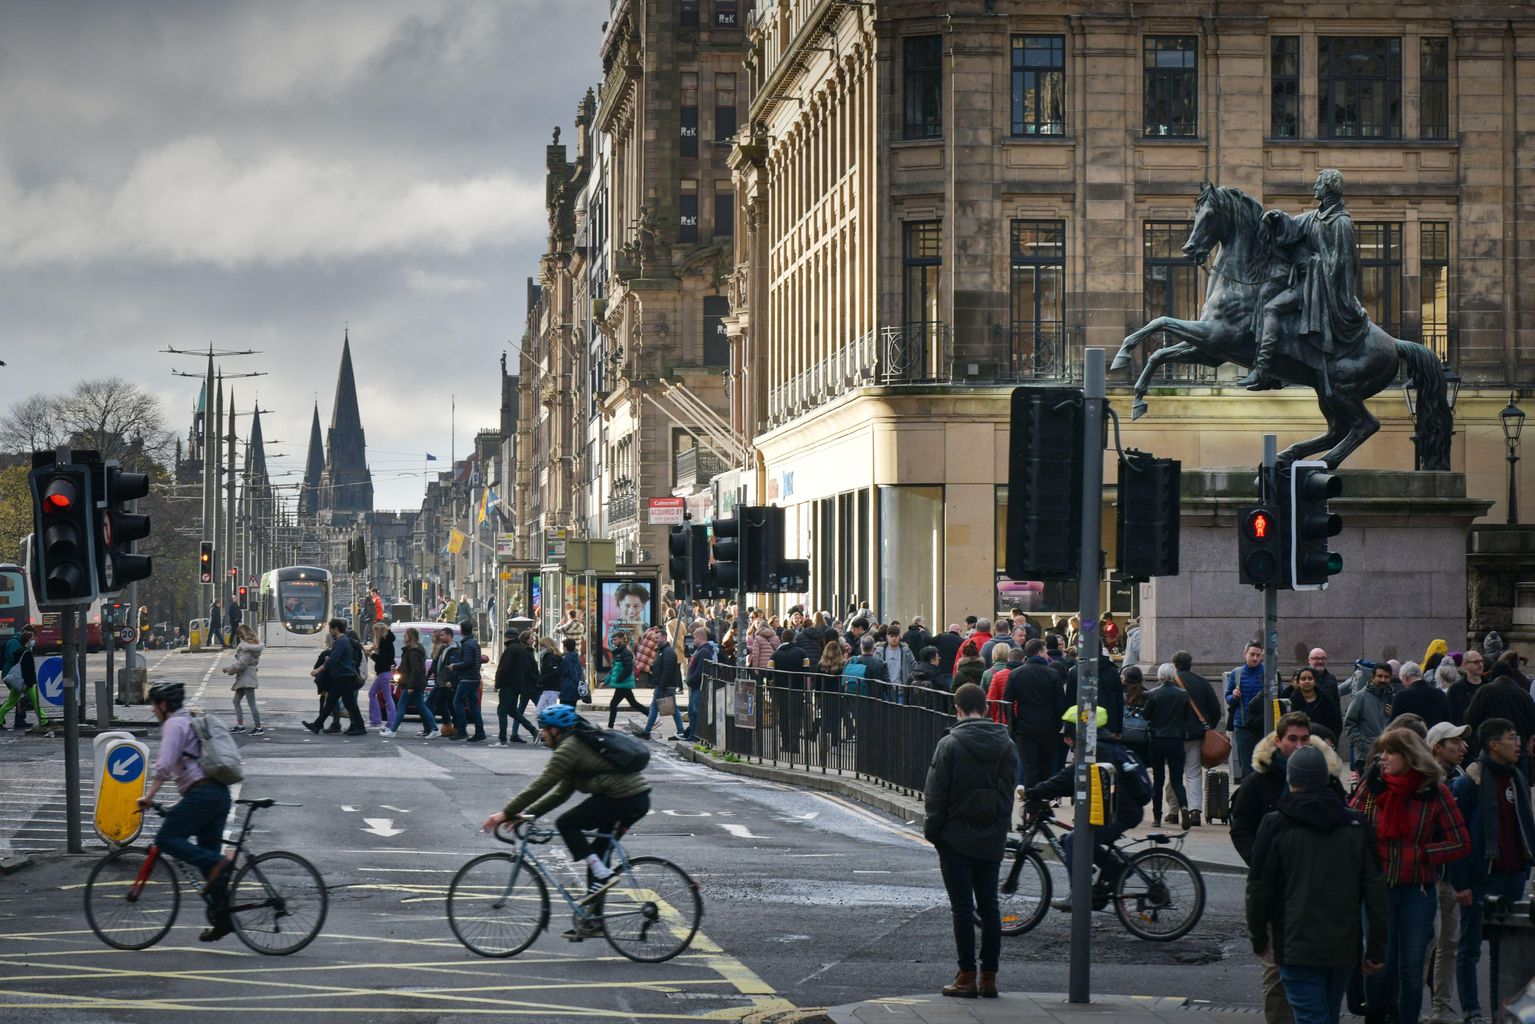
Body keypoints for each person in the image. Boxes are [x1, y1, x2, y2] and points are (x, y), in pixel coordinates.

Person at [480, 704, 652, 940]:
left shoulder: (569, 748)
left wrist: (505, 813)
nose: (541, 734)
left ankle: (603, 877)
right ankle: (594, 922)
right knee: (598, 857)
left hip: (625, 800)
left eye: (543, 729)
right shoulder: (573, 745)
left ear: (554, 730)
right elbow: (561, 792)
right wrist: (528, 813)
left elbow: (543, 783)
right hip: (627, 799)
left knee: (567, 823)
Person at [1245, 745, 1387, 1024]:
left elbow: (1258, 888)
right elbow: (1375, 889)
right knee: (1327, 1014)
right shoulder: (1356, 825)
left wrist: (1259, 937)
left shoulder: (1275, 824)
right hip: (1343, 945)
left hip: (1295, 943)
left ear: (1290, 779)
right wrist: (1376, 947)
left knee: (1312, 1017)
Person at [1349, 728, 1470, 1024]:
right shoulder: (1372, 785)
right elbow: (1350, 827)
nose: (1383, 758)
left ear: (1409, 757)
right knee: (1379, 962)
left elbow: (1460, 841)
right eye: (1381, 752)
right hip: (1378, 890)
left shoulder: (1434, 790)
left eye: (1390, 752)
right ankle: (1376, 1016)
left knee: (1412, 968)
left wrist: (1422, 853)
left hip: (1418, 890)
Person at [1231, 711, 1345, 1024]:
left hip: (1316, 891)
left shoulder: (1327, 778)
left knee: (1316, 972)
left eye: (1304, 739)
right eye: (1291, 739)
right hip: (1276, 891)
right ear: (1278, 741)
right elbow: (1241, 824)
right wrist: (1258, 860)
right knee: (1275, 973)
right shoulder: (1260, 780)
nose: (1298, 745)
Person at [923, 683, 1018, 1000]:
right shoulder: (1006, 745)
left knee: (962, 908)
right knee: (989, 906)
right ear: (987, 708)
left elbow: (936, 796)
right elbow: (1008, 796)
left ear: (957, 709)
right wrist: (999, 828)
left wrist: (934, 832)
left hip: (955, 838)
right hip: (991, 837)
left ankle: (966, 976)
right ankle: (989, 977)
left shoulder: (949, 744)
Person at [1448, 718, 1535, 1024]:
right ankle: (1472, 1010)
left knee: (1508, 948)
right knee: (1470, 947)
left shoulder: (1516, 777)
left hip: (1513, 875)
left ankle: (1503, 1010)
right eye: (1512, 738)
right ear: (1494, 745)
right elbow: (1456, 837)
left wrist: (1526, 865)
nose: (1519, 743)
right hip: (1482, 876)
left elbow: (1525, 823)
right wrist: (1461, 882)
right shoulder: (1470, 781)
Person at [137, 681, 235, 942]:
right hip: (218, 794)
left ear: (164, 705)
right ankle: (224, 920)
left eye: (154, 706)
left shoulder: (173, 724)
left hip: (201, 794)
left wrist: (148, 797)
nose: (153, 711)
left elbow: (164, 765)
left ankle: (218, 862)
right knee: (208, 865)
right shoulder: (188, 720)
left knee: (166, 839)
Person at [1025, 705, 1148, 909]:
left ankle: (1079, 895)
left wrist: (1037, 790)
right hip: (1122, 810)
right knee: (1072, 839)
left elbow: (1071, 777)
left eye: (1068, 730)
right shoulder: (1105, 745)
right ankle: (1115, 870)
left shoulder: (1096, 749)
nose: (1065, 738)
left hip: (1120, 813)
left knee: (1075, 841)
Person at [1424, 721, 1470, 1024]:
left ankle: (1441, 1007)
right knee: (1425, 944)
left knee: (1449, 944)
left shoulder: (1463, 778)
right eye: (1455, 741)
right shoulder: (1424, 780)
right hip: (1427, 876)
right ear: (1437, 746)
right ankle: (1405, 1004)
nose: (1463, 747)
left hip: (1452, 876)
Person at [1175, 650, 1222, 825]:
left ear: (1174, 665)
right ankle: (1195, 810)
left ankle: (1174, 811)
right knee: (1193, 773)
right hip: (1196, 735)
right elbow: (1216, 709)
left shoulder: (1170, 682)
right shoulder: (1202, 682)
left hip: (1174, 735)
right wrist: (1209, 728)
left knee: (1175, 773)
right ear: (1190, 663)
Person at [1144, 663, 1194, 829]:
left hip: (1157, 741)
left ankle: (1157, 818)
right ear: (1173, 676)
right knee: (1177, 780)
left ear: (1159, 676)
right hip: (1176, 740)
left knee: (1158, 780)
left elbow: (1146, 715)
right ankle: (1184, 807)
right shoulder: (1183, 694)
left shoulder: (1152, 694)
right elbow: (1187, 718)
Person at [305, 619, 365, 735]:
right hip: (342, 677)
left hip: (343, 677)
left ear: (335, 629)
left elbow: (333, 660)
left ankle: (360, 727)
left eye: (331, 629)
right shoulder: (344, 640)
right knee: (331, 703)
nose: (330, 631)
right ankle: (317, 725)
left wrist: (318, 670)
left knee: (349, 704)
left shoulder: (340, 641)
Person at [382, 627, 439, 738]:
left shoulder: (413, 652)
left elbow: (415, 670)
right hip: (415, 683)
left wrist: (411, 686)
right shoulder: (413, 650)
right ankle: (434, 728)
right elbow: (409, 668)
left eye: (405, 635)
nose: (404, 637)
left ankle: (393, 730)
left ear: (410, 637)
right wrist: (398, 669)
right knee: (421, 706)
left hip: (412, 684)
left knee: (401, 705)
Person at [1344, 662, 1396, 778]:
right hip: (1366, 756)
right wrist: (1361, 744)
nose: (1383, 680)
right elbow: (1349, 723)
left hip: (1389, 754)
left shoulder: (1393, 698)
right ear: (1373, 677)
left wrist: (1394, 715)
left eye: (1386, 677)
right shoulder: (1361, 697)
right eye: (1380, 676)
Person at [1226, 641, 1267, 782]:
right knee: (1246, 767)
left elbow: (1278, 696)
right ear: (1245, 654)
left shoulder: (1269, 672)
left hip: (1263, 726)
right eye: (1252, 655)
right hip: (1242, 726)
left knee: (1263, 766)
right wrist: (1234, 696)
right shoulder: (1236, 673)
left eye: (1258, 655)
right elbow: (1228, 698)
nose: (1255, 658)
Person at [638, 629, 686, 740]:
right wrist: (652, 667)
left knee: (660, 708)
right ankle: (680, 731)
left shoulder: (667, 652)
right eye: (655, 638)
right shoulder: (662, 651)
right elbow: (661, 668)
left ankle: (647, 732)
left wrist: (662, 687)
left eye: (657, 638)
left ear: (664, 637)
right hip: (664, 685)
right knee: (669, 708)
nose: (656, 640)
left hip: (665, 685)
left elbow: (667, 670)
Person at [496, 627, 541, 743]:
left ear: (507, 637)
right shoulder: (521, 650)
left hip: (508, 685)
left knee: (502, 711)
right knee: (513, 711)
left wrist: (498, 683)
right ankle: (533, 730)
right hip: (517, 685)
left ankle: (502, 738)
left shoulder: (510, 650)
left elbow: (504, 669)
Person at [448, 620, 487, 743]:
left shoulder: (468, 644)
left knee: (457, 702)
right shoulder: (474, 643)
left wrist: (455, 666)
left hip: (467, 678)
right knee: (473, 705)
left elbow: (468, 662)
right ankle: (480, 732)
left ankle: (462, 729)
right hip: (474, 677)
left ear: (461, 630)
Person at [222, 624, 264, 735]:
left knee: (252, 704)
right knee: (236, 702)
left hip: (247, 678)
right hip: (244, 677)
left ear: (244, 634)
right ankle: (240, 725)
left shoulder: (248, 648)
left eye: (240, 634)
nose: (239, 636)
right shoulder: (250, 646)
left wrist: (228, 669)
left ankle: (259, 727)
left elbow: (242, 664)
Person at [1283, 666, 1342, 738]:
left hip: (1323, 742)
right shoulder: (1291, 701)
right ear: (1298, 682)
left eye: (1310, 679)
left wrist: (1331, 740)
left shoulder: (1326, 699)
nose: (1307, 681)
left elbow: (1336, 722)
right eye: (1303, 679)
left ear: (1315, 682)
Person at [603, 630, 645, 729]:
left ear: (621, 639)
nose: (613, 642)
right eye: (612, 640)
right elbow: (614, 669)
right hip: (622, 683)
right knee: (633, 703)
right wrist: (605, 681)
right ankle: (653, 718)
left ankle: (610, 726)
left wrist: (618, 679)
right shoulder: (619, 652)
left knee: (613, 704)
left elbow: (628, 669)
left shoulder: (626, 653)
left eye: (615, 640)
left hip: (623, 683)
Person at [1389, 661, 1450, 729]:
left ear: (1405, 677)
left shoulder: (1401, 696)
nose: (1403, 685)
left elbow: (1393, 726)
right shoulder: (1440, 694)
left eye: (1402, 681)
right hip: (1436, 737)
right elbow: (1448, 722)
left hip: (1413, 738)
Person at [0, 626, 39, 731]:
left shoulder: (20, 644)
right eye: (31, 637)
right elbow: (15, 660)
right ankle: (39, 719)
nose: (33, 640)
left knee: (14, 700)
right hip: (15, 676)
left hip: (18, 677)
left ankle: (19, 719)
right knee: (32, 699)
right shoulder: (15, 643)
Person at [364, 622, 397, 730]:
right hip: (385, 673)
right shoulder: (388, 642)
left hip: (383, 673)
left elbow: (382, 660)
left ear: (378, 632)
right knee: (374, 694)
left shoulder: (383, 642)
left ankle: (385, 721)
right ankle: (377, 720)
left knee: (386, 697)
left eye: (374, 632)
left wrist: (371, 655)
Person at [1448, 649, 1487, 726]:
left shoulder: (1489, 686)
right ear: (1465, 664)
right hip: (1463, 732)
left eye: (1481, 661)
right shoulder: (1456, 688)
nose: (1480, 664)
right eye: (1476, 662)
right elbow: (1450, 714)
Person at [535, 636, 565, 713]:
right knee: (543, 711)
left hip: (551, 689)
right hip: (549, 688)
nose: (540, 649)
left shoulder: (550, 658)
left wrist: (541, 680)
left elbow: (555, 672)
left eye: (541, 646)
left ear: (546, 646)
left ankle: (553, 725)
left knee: (545, 712)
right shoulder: (549, 657)